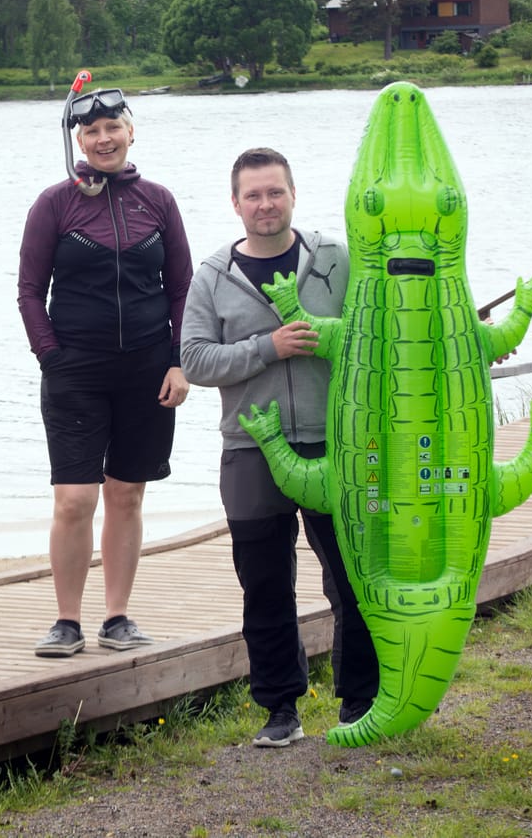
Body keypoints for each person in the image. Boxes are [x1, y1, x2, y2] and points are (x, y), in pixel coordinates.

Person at [180, 147, 378, 746]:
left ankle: (359, 701)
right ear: (235, 203)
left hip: (336, 441)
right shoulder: (213, 276)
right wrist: (269, 348)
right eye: (253, 195)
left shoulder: (337, 258)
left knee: (352, 578)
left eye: (275, 192)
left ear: (293, 194)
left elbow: (381, 327)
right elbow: (195, 360)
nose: (265, 204)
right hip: (250, 449)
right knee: (265, 585)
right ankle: (281, 710)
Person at [17, 87, 193, 658]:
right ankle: (66, 621)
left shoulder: (158, 201)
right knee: (74, 499)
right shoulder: (54, 204)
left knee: (127, 494)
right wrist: (50, 356)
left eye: (113, 127)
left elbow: (182, 288)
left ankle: (117, 617)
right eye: (91, 131)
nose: (103, 138)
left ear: (131, 131)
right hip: (75, 370)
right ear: (78, 140)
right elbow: (29, 291)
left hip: (148, 369)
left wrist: (179, 360)